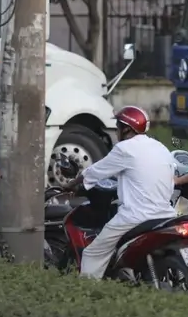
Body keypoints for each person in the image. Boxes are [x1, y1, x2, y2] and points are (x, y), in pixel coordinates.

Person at [63, 106, 176, 279]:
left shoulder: (125, 149)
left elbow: (94, 172)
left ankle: (86, 293)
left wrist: (71, 185)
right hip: (167, 215)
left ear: (126, 128)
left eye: (117, 126)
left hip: (136, 216)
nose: (116, 131)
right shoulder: (160, 147)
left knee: (93, 252)